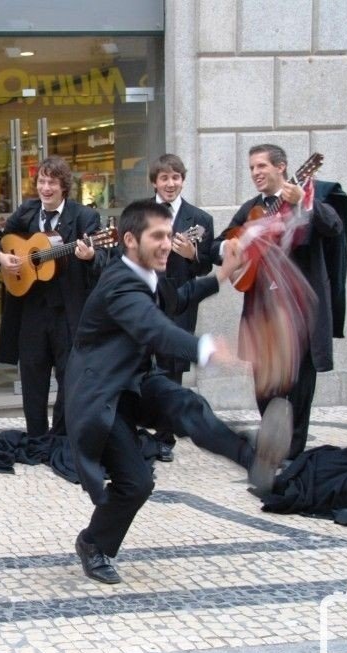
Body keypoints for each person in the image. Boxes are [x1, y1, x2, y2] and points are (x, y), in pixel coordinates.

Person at [66, 199, 292, 585]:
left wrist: (220, 276)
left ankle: (254, 459)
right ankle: (93, 543)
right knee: (137, 483)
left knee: (187, 405)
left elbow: (174, 299)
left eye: (169, 235)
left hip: (135, 380)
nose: (167, 244)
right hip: (101, 394)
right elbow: (155, 328)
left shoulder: (145, 275)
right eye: (157, 236)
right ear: (130, 241)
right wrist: (204, 348)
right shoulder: (120, 283)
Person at [212, 144, 343, 459]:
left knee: (298, 392)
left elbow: (334, 227)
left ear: (282, 167)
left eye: (262, 166)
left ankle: (292, 458)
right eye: (252, 168)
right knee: (265, 388)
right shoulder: (251, 209)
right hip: (263, 315)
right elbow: (220, 245)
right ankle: (273, 448)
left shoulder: (308, 198)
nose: (256, 173)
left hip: (300, 314)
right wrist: (236, 247)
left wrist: (306, 206)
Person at [0, 155, 103, 440]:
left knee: (68, 376)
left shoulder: (84, 217)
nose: (45, 188)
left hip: (67, 312)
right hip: (31, 310)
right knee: (33, 376)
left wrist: (90, 256)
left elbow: (105, 257)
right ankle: (36, 436)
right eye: (41, 181)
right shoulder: (27, 211)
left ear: (64, 187)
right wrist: (2, 257)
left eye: (52, 182)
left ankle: (60, 436)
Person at [148, 154, 215, 462]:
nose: (170, 183)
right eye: (164, 178)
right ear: (155, 182)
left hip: (178, 304)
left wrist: (191, 254)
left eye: (176, 178)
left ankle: (164, 437)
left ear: (183, 180)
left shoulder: (199, 219)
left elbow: (204, 269)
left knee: (170, 371)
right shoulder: (140, 213)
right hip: (144, 300)